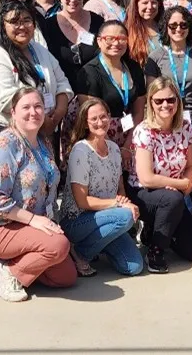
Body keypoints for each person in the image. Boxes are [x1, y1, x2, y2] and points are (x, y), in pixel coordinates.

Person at [0, 88, 76, 302]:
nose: (33, 112)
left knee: (66, 277)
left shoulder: (43, 142)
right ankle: (7, 272)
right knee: (58, 247)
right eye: (26, 107)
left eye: (38, 106)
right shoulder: (4, 145)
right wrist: (33, 220)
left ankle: (6, 262)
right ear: (13, 112)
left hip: (33, 226)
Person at [0, 1, 72, 158]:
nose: (22, 26)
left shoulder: (39, 50)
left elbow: (62, 82)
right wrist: (41, 119)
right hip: (5, 134)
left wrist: (58, 113)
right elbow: (4, 98)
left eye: (26, 20)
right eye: (14, 22)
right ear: (2, 25)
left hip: (44, 130)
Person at [59, 97, 144, 277]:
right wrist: (118, 205)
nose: (100, 122)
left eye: (103, 117)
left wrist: (121, 200)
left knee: (134, 267)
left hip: (107, 217)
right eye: (94, 119)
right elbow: (82, 201)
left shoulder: (114, 149)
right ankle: (80, 253)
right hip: (78, 220)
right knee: (126, 216)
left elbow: (120, 187)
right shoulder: (80, 152)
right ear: (85, 123)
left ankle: (99, 244)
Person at [128, 78, 192, 274]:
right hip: (144, 193)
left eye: (170, 99)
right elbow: (146, 178)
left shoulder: (185, 127)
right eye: (158, 101)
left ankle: (158, 232)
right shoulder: (144, 131)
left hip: (175, 195)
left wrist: (188, 184)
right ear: (150, 103)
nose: (165, 105)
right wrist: (179, 184)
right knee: (172, 199)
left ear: (178, 101)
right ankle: (155, 252)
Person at [78, 21, 146, 162]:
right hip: (99, 136)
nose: (116, 43)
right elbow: (92, 118)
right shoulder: (89, 72)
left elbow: (139, 111)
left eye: (121, 39)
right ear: (99, 41)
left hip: (130, 134)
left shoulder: (133, 68)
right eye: (110, 39)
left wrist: (128, 145)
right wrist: (112, 150)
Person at [144, 6, 192, 127]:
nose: (178, 29)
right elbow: (151, 95)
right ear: (166, 27)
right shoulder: (155, 57)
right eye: (173, 25)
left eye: (183, 25)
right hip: (166, 120)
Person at [41, 0, 105, 93]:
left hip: (95, 91)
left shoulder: (98, 22)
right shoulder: (49, 26)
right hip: (62, 92)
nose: (73, 0)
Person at [126, 0, 164, 67]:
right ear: (136, 5)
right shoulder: (127, 31)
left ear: (159, 4)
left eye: (153, 2)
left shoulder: (166, 28)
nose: (150, 7)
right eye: (145, 3)